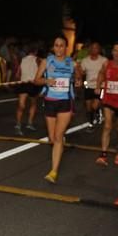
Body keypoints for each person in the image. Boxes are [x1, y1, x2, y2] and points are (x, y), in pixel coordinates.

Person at [34, 35, 81, 183]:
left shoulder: (71, 63)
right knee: (52, 139)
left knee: (58, 137)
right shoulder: (47, 61)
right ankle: (59, 141)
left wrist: (78, 79)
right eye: (56, 45)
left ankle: (53, 171)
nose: (59, 48)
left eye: (61, 45)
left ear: (66, 47)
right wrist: (47, 80)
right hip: (50, 101)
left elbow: (78, 76)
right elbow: (36, 80)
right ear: (53, 47)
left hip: (65, 101)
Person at [78, 41, 107, 129]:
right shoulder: (85, 60)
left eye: (96, 48)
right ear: (90, 49)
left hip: (100, 86)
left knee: (95, 105)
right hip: (89, 86)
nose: (94, 49)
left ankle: (96, 113)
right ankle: (91, 122)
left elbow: (106, 73)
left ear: (99, 49)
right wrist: (77, 70)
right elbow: (81, 73)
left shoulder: (104, 60)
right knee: (88, 107)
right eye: (92, 48)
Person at [14, 43, 41, 135]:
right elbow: (41, 72)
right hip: (33, 84)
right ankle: (29, 123)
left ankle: (18, 125)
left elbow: (17, 74)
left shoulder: (23, 59)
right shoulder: (38, 60)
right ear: (36, 51)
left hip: (24, 83)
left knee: (21, 105)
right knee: (33, 104)